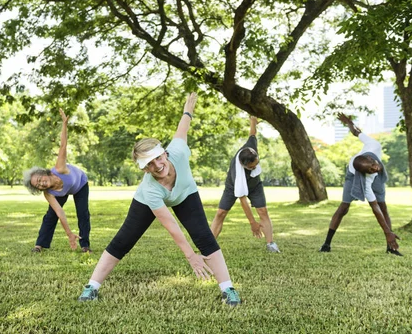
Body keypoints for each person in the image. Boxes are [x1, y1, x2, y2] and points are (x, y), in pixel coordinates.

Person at [77, 93, 241, 306]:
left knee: (205, 237)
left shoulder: (179, 152)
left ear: (164, 153)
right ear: (144, 168)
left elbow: (182, 129)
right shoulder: (150, 189)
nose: (157, 166)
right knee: (123, 240)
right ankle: (92, 286)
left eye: (158, 158)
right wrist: (191, 256)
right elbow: (171, 226)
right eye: (149, 165)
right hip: (146, 202)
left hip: (186, 193)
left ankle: (228, 289)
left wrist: (188, 110)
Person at [319, 113, 402, 256]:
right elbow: (373, 207)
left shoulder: (373, 145)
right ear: (365, 172)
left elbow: (357, 133)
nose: (375, 169)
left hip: (374, 177)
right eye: (370, 170)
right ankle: (326, 243)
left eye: (373, 166)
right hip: (352, 177)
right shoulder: (365, 176)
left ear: (370, 158)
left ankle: (390, 247)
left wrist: (349, 123)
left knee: (384, 206)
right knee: (344, 207)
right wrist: (387, 231)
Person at [23, 109, 91, 253]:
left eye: (40, 179)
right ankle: (39, 245)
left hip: (80, 184)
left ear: (45, 173)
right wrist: (69, 234)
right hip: (62, 192)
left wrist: (64, 124)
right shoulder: (48, 193)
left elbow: (63, 145)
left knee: (83, 213)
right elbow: (60, 213)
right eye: (38, 185)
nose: (41, 184)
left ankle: (85, 245)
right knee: (50, 216)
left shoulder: (59, 168)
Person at [210, 115, 280, 253]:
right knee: (220, 213)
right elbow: (243, 200)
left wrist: (253, 121)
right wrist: (252, 223)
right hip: (232, 187)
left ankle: (271, 244)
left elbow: (252, 133)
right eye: (252, 167)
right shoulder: (238, 174)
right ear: (244, 165)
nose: (255, 168)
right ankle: (209, 247)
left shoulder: (251, 148)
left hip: (255, 185)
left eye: (256, 164)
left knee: (263, 211)